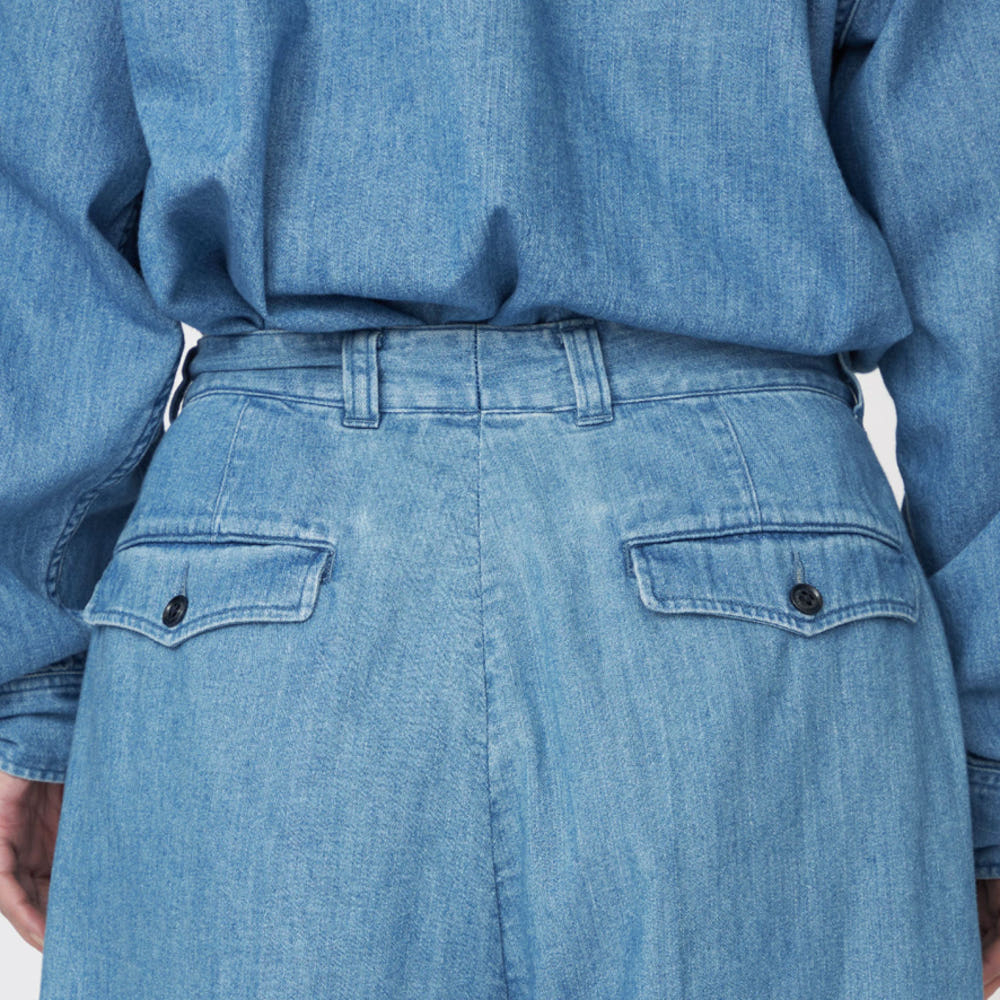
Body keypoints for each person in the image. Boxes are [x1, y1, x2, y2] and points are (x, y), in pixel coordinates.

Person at [1, 0, 998, 996]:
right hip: (760, 569)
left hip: (256, 581)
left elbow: (43, 201)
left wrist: (33, 695)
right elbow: (974, 208)